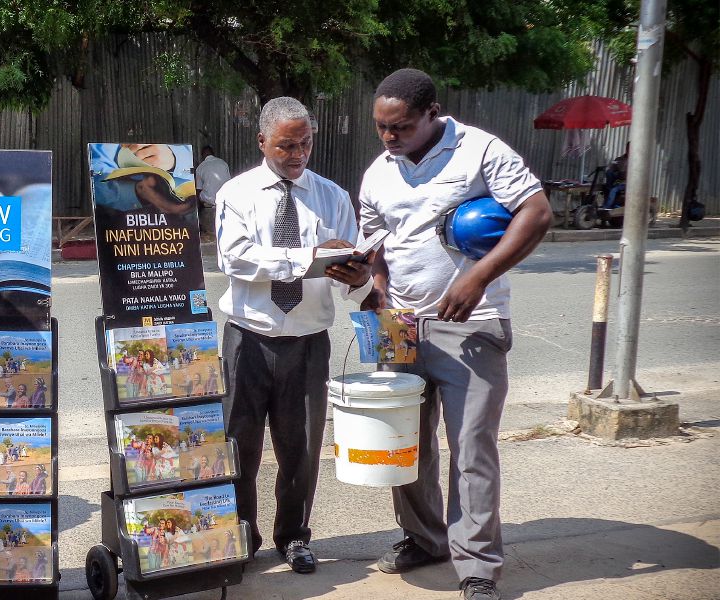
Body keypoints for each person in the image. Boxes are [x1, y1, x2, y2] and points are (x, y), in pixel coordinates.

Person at [358, 68, 552, 600]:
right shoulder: (379, 171)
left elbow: (536, 213)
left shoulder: (482, 151)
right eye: (381, 128)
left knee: (471, 447)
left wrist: (478, 275)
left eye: (399, 127)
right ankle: (423, 538)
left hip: (473, 322)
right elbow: (375, 242)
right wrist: (372, 288)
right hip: (399, 324)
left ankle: (477, 568)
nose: (389, 138)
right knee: (406, 444)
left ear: (430, 114)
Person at [216, 96, 372, 574]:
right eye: (286, 145)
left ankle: (294, 536)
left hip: (307, 341)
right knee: (238, 444)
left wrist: (357, 275)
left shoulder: (331, 196)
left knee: (300, 446)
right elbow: (236, 258)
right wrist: (306, 256)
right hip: (249, 337)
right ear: (262, 141)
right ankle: (240, 537)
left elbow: (353, 259)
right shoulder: (236, 194)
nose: (297, 154)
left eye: (305, 143)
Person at [195, 145, 232, 238]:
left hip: (210, 200)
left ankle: (199, 220)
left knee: (198, 192)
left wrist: (196, 208)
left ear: (202, 156)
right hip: (224, 199)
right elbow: (229, 182)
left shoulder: (200, 167)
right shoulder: (223, 163)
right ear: (213, 153)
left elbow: (198, 189)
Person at [602, 142, 629, 210]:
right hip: (618, 180)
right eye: (627, 148)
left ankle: (607, 207)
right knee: (609, 172)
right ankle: (609, 187)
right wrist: (609, 168)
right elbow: (612, 165)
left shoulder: (635, 160)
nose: (628, 150)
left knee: (613, 190)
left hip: (627, 182)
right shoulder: (620, 159)